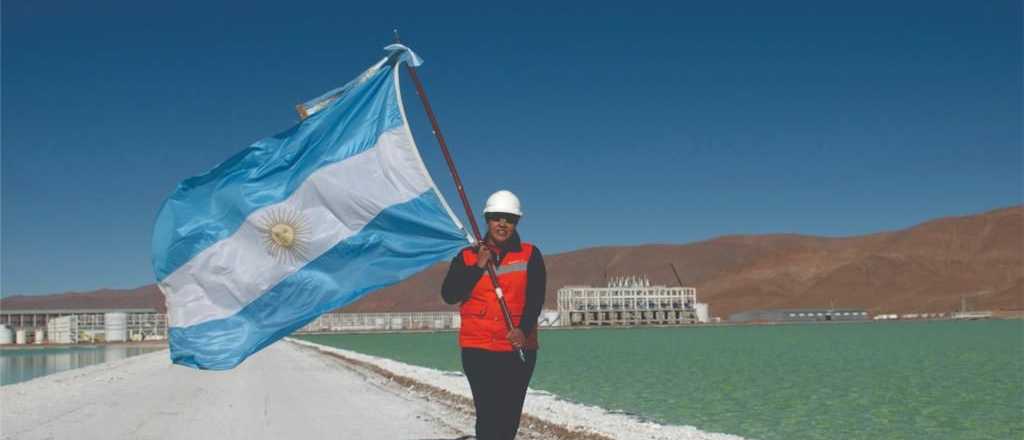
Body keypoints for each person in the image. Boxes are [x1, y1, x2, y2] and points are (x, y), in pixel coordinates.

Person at [441, 190, 546, 440]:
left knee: (509, 418)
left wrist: (523, 329)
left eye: (509, 219)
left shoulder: (530, 254)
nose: (502, 224)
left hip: (518, 349)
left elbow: (535, 299)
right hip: (478, 350)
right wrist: (477, 267)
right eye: (497, 217)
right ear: (487, 220)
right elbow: (449, 294)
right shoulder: (466, 256)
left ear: (516, 223)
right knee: (488, 416)